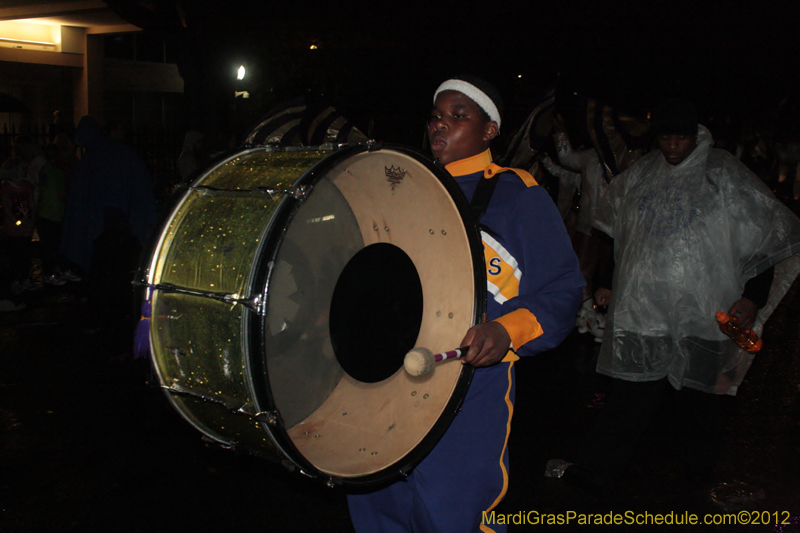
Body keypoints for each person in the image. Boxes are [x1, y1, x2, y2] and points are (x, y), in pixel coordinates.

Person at [347, 76, 585, 532]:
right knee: (378, 506)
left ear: (490, 130)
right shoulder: (403, 187)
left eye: (459, 116)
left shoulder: (519, 195)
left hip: (470, 386)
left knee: (454, 511)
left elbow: (562, 289)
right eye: (437, 116)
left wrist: (505, 332)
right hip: (386, 381)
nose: (442, 126)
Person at [566, 98, 800, 492]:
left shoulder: (722, 173)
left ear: (695, 135)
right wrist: (608, 280)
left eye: (681, 139)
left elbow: (761, 237)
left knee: (699, 401)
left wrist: (752, 296)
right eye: (666, 139)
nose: (673, 147)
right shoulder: (642, 174)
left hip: (703, 311)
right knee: (630, 395)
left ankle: (698, 478)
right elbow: (622, 236)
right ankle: (596, 472)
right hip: (645, 310)